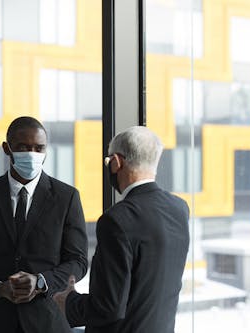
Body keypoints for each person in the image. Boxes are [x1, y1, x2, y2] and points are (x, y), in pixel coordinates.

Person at [0, 116, 88, 333]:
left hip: (48, 322)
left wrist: (41, 282)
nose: (32, 154)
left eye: (39, 148)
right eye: (23, 147)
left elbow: (78, 261)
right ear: (7, 148)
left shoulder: (66, 197)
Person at [53, 126, 190, 333]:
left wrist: (68, 301)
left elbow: (108, 307)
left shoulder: (117, 219)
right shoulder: (179, 208)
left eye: (108, 162)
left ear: (117, 162)